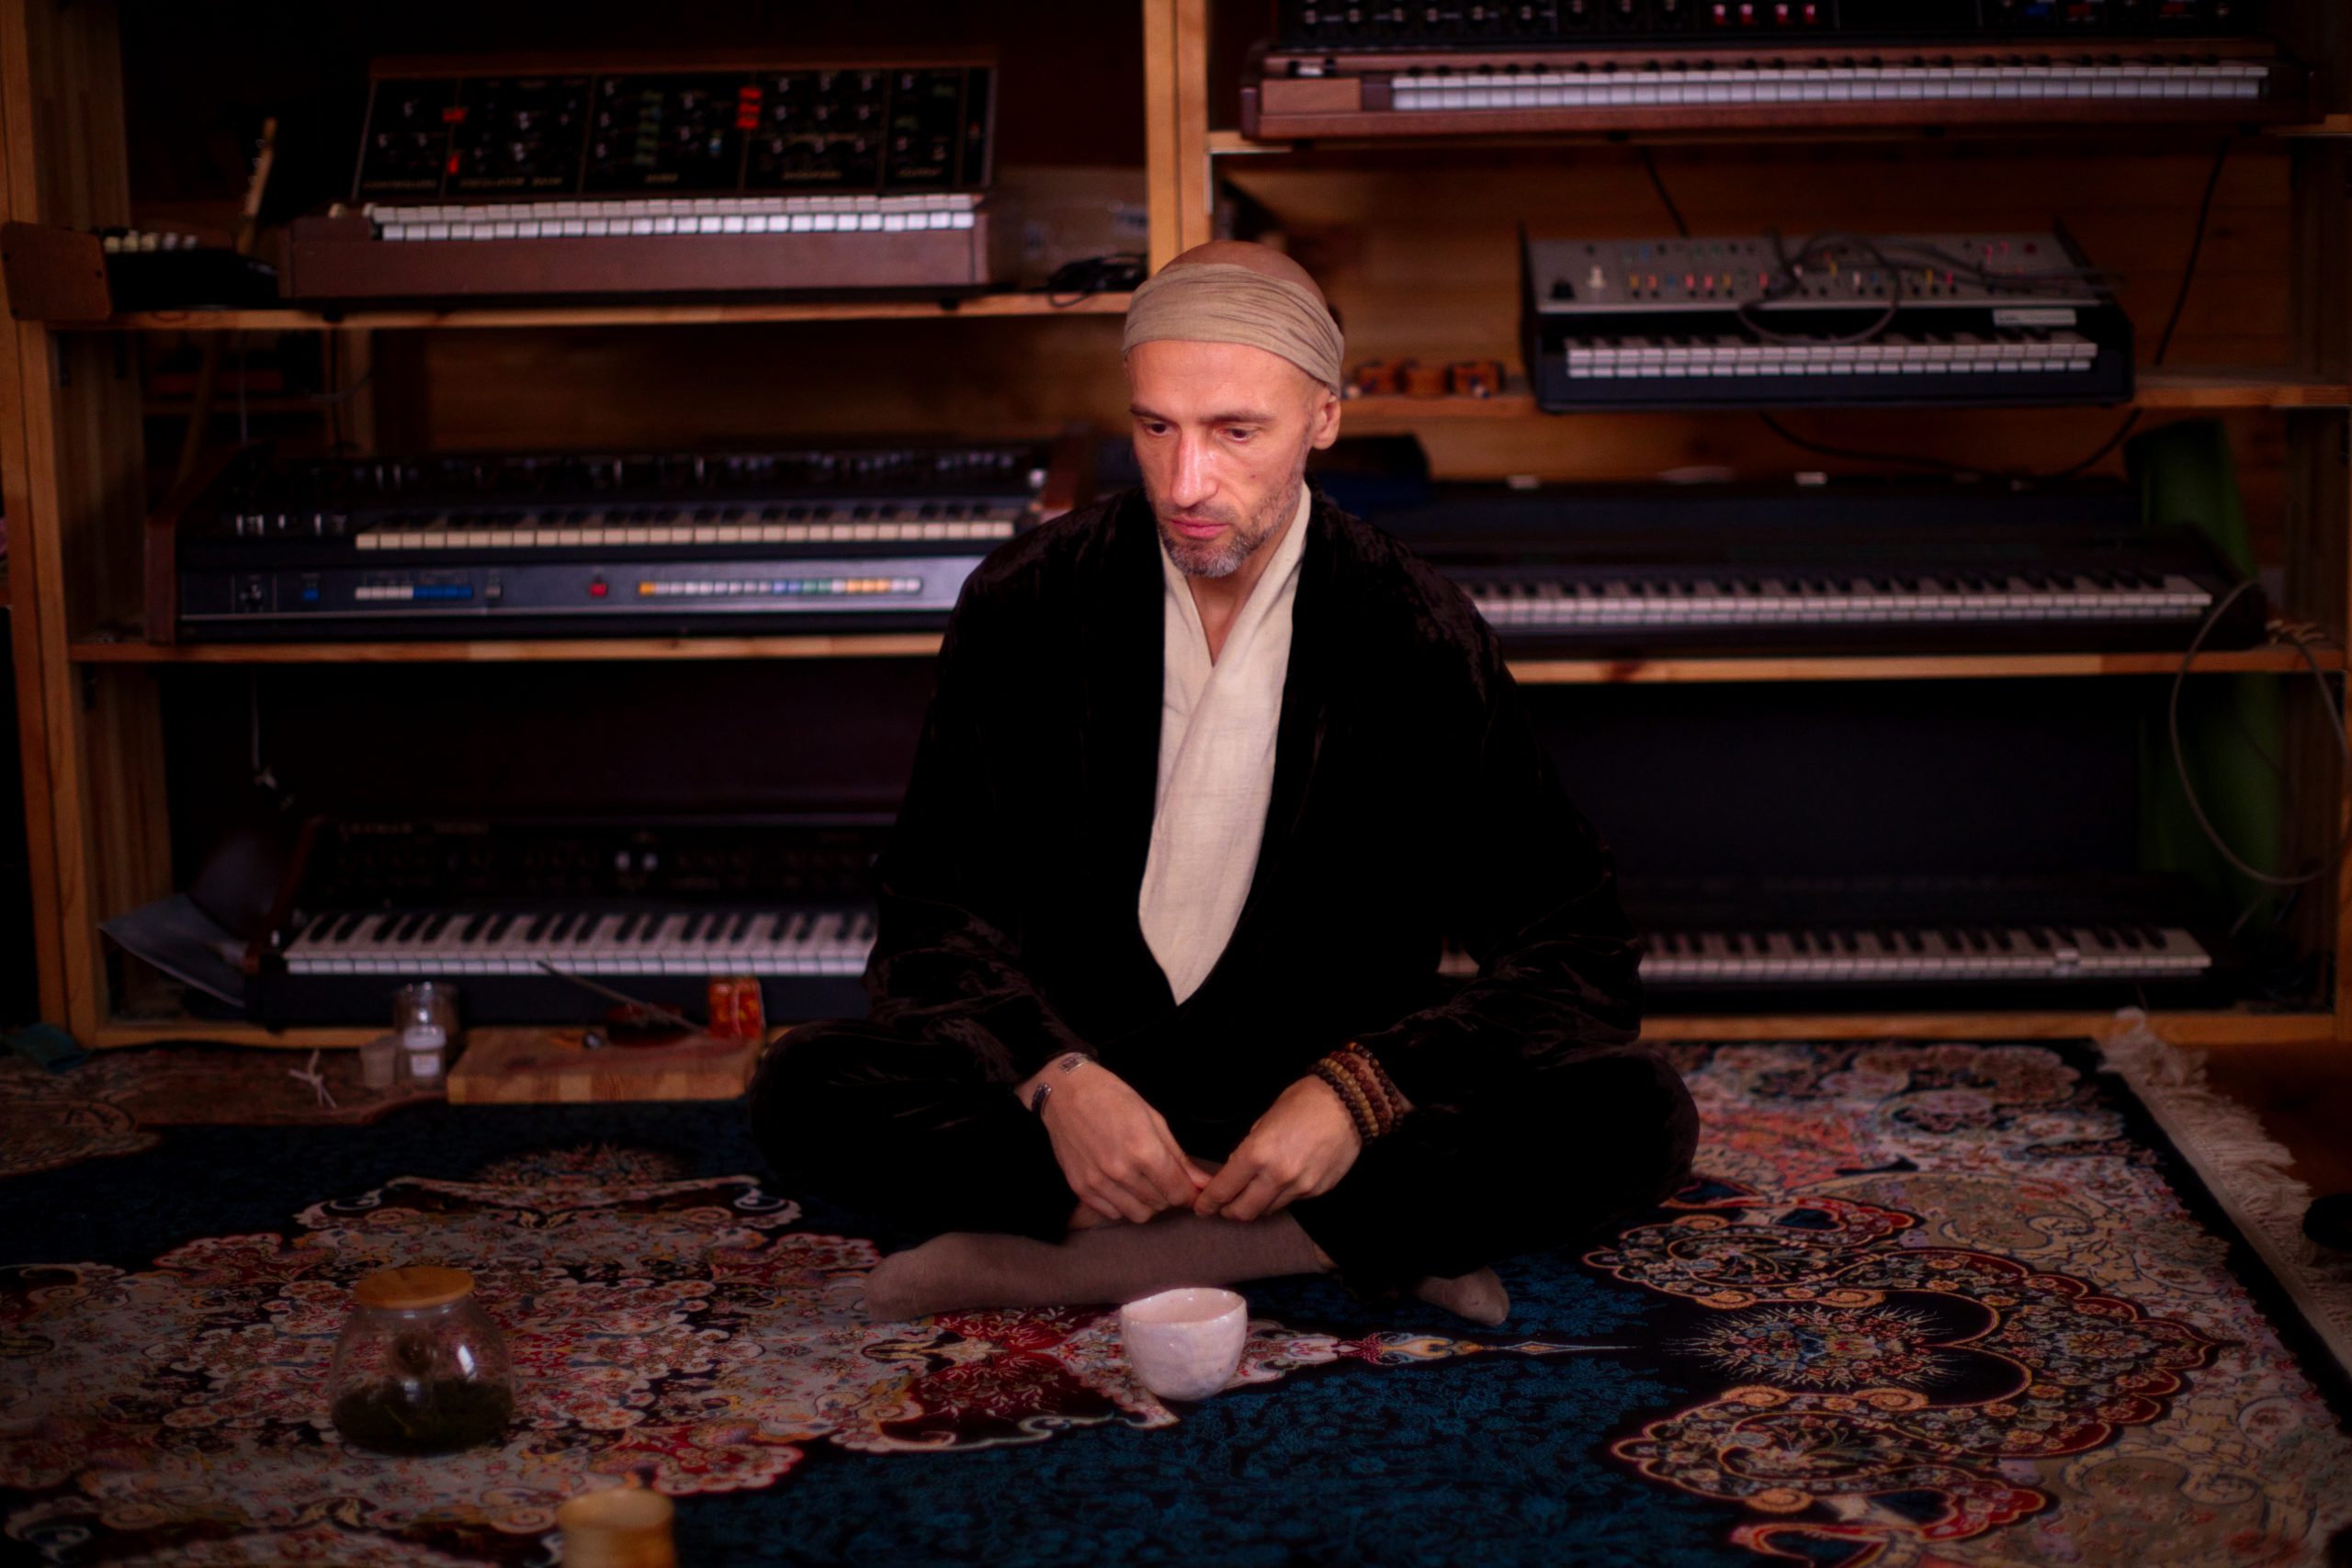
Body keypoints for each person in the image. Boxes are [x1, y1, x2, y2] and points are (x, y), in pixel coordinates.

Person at [750, 241, 1697, 1325]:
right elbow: (930, 922)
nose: (1186, 483)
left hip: (1316, 1107)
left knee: (1639, 1110)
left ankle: (1078, 1256)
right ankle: (1357, 1242)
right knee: (804, 1087)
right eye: (1156, 428)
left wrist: (1359, 1093)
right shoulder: (1027, 601)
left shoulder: (1415, 631)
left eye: (1235, 432)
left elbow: (1575, 956)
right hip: (1089, 1095)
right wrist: (1054, 1081)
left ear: (1322, 419)